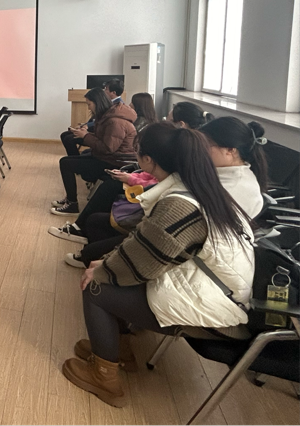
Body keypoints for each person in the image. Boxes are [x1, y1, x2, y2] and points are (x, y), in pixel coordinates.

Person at [61, 123, 254, 407]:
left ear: (148, 160)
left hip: (216, 310)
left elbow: (139, 265)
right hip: (211, 290)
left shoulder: (180, 204)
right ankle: (117, 349)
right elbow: (143, 246)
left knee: (96, 285)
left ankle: (104, 376)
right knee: (106, 268)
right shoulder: (199, 186)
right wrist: (107, 262)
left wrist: (101, 269)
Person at [62, 117, 269, 268]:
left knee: (99, 234)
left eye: (207, 146)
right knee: (100, 222)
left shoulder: (234, 186)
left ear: (231, 151)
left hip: (194, 253)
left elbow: (176, 225)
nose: (202, 151)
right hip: (184, 240)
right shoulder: (222, 174)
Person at [51, 88, 137, 215]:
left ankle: (72, 204)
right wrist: (85, 134)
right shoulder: (109, 116)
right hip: (108, 158)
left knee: (66, 163)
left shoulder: (115, 121)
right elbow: (104, 140)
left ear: (98, 102)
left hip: (115, 163)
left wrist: (85, 136)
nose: (89, 108)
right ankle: (70, 200)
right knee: (66, 161)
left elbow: (108, 148)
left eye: (89, 104)